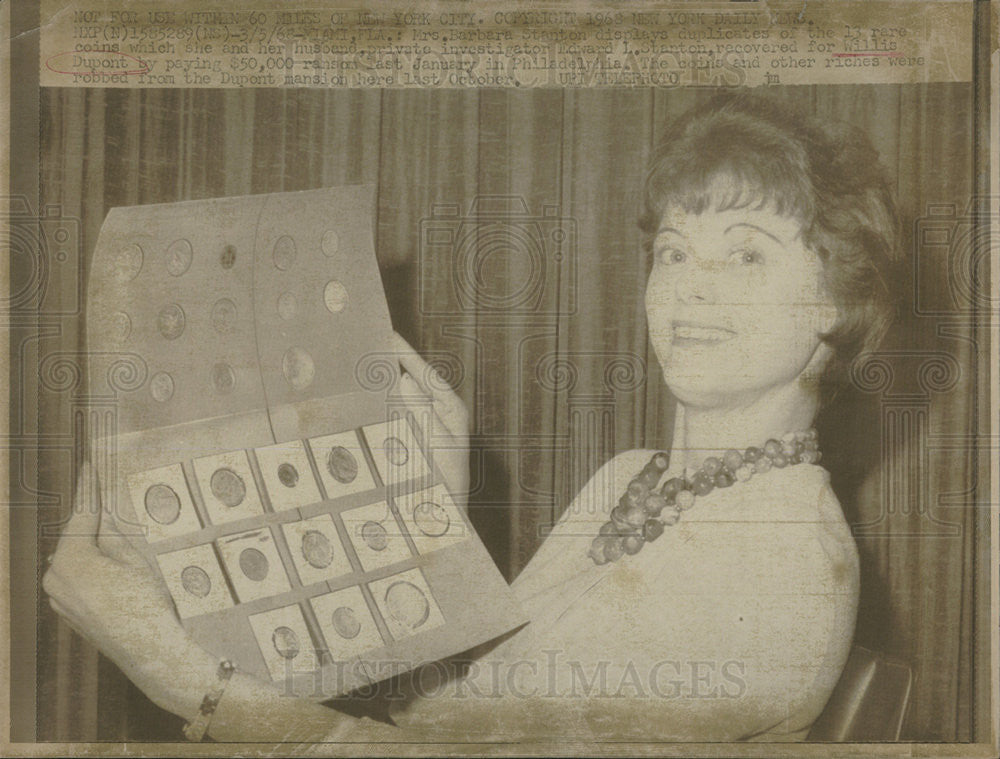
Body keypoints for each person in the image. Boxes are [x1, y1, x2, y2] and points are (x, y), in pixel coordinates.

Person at [43, 91, 901, 744]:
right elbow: (471, 712)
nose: (691, 284)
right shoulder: (632, 478)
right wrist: (433, 523)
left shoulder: (781, 561)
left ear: (837, 297)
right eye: (674, 250)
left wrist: (185, 676)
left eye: (746, 252)